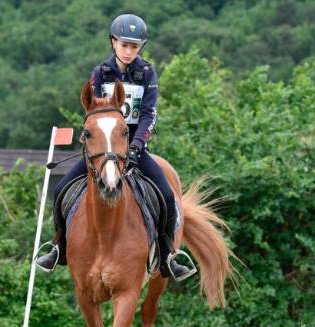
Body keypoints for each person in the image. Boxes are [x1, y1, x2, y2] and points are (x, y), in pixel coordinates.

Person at [35, 13, 196, 282]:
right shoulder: (101, 73)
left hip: (133, 148)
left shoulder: (147, 73)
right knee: (61, 189)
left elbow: (148, 114)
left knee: (167, 196)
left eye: (134, 47)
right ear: (113, 43)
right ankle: (59, 246)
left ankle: (168, 256)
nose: (129, 51)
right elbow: (95, 111)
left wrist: (135, 145)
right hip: (103, 148)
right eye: (124, 45)